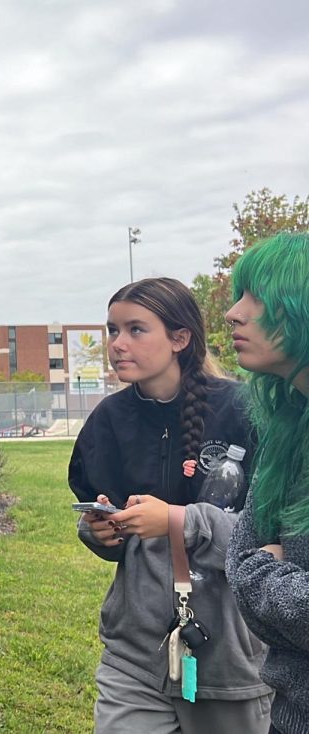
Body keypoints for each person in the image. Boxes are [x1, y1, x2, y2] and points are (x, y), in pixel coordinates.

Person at [69, 277, 270, 733]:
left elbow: (269, 534)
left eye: (136, 330)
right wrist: (100, 533)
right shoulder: (108, 420)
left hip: (228, 654)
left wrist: (179, 520)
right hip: (134, 653)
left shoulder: (246, 412)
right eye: (112, 330)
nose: (118, 344)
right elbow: (106, 523)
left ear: (180, 338)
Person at [224, 232, 309, 734]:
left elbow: (248, 573)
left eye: (256, 296)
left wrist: (265, 578)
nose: (234, 312)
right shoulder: (289, 431)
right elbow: (240, 560)